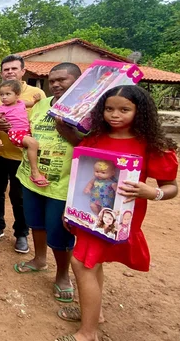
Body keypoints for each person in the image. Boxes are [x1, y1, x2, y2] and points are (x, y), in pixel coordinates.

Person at [55, 85, 178, 341]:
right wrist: (72, 212)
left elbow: (171, 187)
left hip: (118, 218)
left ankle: (88, 334)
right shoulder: (96, 137)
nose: (115, 115)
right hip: (90, 213)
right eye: (109, 108)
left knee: (81, 263)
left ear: (140, 111)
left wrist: (152, 192)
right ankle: (94, 315)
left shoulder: (150, 145)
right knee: (91, 262)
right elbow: (83, 172)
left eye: (124, 109)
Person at [13, 63, 83, 304]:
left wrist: (66, 130)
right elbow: (28, 132)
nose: (55, 84)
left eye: (62, 79)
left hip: (62, 185)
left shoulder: (86, 110)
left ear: (77, 81)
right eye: (52, 80)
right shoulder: (41, 105)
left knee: (60, 232)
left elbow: (91, 147)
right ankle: (39, 260)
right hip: (31, 177)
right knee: (37, 223)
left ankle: (63, 276)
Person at [0, 55, 46, 253]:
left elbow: (42, 121)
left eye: (14, 69)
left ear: (23, 71)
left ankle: (21, 233)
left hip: (21, 156)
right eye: (6, 69)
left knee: (19, 196)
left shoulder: (36, 93)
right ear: (1, 73)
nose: (10, 72)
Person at [0, 80, 46, 186]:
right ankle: (35, 172)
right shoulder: (1, 108)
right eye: (1, 95)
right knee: (33, 144)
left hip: (26, 132)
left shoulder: (21, 103)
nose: (4, 97)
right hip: (15, 134)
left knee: (38, 146)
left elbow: (33, 104)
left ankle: (35, 170)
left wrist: (37, 99)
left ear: (17, 95)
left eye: (8, 94)